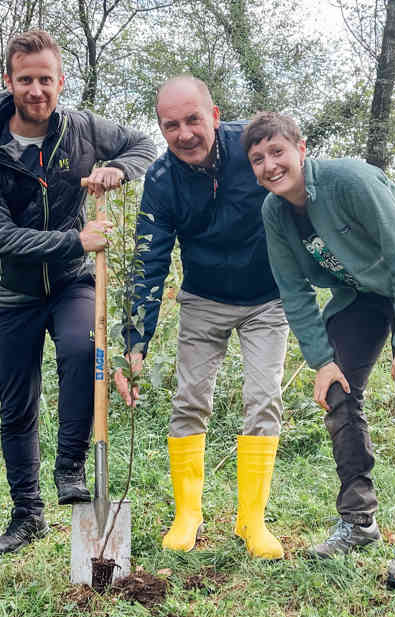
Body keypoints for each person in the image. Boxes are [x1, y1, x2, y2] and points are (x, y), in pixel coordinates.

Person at [242, 112, 395, 589]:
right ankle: (358, 522)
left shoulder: (351, 180)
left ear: (301, 147)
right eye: (258, 160)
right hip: (363, 293)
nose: (270, 166)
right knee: (338, 390)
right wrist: (322, 361)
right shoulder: (276, 213)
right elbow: (294, 293)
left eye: (277, 152)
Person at [0, 29, 155, 555]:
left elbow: (144, 145)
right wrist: (76, 239)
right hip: (13, 292)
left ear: (60, 81)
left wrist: (116, 169)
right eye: (26, 80)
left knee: (81, 349)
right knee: (16, 406)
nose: (37, 90)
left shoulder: (84, 129)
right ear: (8, 82)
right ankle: (27, 514)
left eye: (46, 79)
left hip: (72, 284)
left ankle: (70, 466)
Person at [112, 76, 288, 559]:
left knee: (263, 398)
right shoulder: (162, 180)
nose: (184, 133)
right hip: (204, 300)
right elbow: (149, 260)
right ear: (161, 128)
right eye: (171, 125)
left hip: (266, 299)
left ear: (213, 115)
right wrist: (136, 341)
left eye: (193, 120)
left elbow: (296, 194)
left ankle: (251, 521)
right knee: (189, 400)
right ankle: (188, 513)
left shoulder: (253, 151)